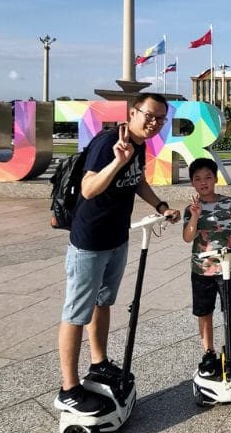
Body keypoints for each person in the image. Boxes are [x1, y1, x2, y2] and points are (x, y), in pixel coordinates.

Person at [54, 93, 181, 415]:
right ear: (133, 112)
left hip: (116, 238)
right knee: (76, 313)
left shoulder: (138, 146)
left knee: (103, 303)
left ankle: (98, 362)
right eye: (149, 116)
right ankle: (68, 388)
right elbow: (88, 188)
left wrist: (160, 206)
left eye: (160, 119)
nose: (153, 123)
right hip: (90, 242)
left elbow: (137, 181)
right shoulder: (110, 141)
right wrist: (117, 161)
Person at [183, 157, 231, 376]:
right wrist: (194, 217)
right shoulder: (191, 208)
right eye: (198, 179)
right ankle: (208, 352)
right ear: (193, 183)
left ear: (215, 178)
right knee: (204, 312)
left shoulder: (229, 203)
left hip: (227, 267)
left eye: (208, 177)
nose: (203, 182)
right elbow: (187, 237)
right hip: (201, 270)